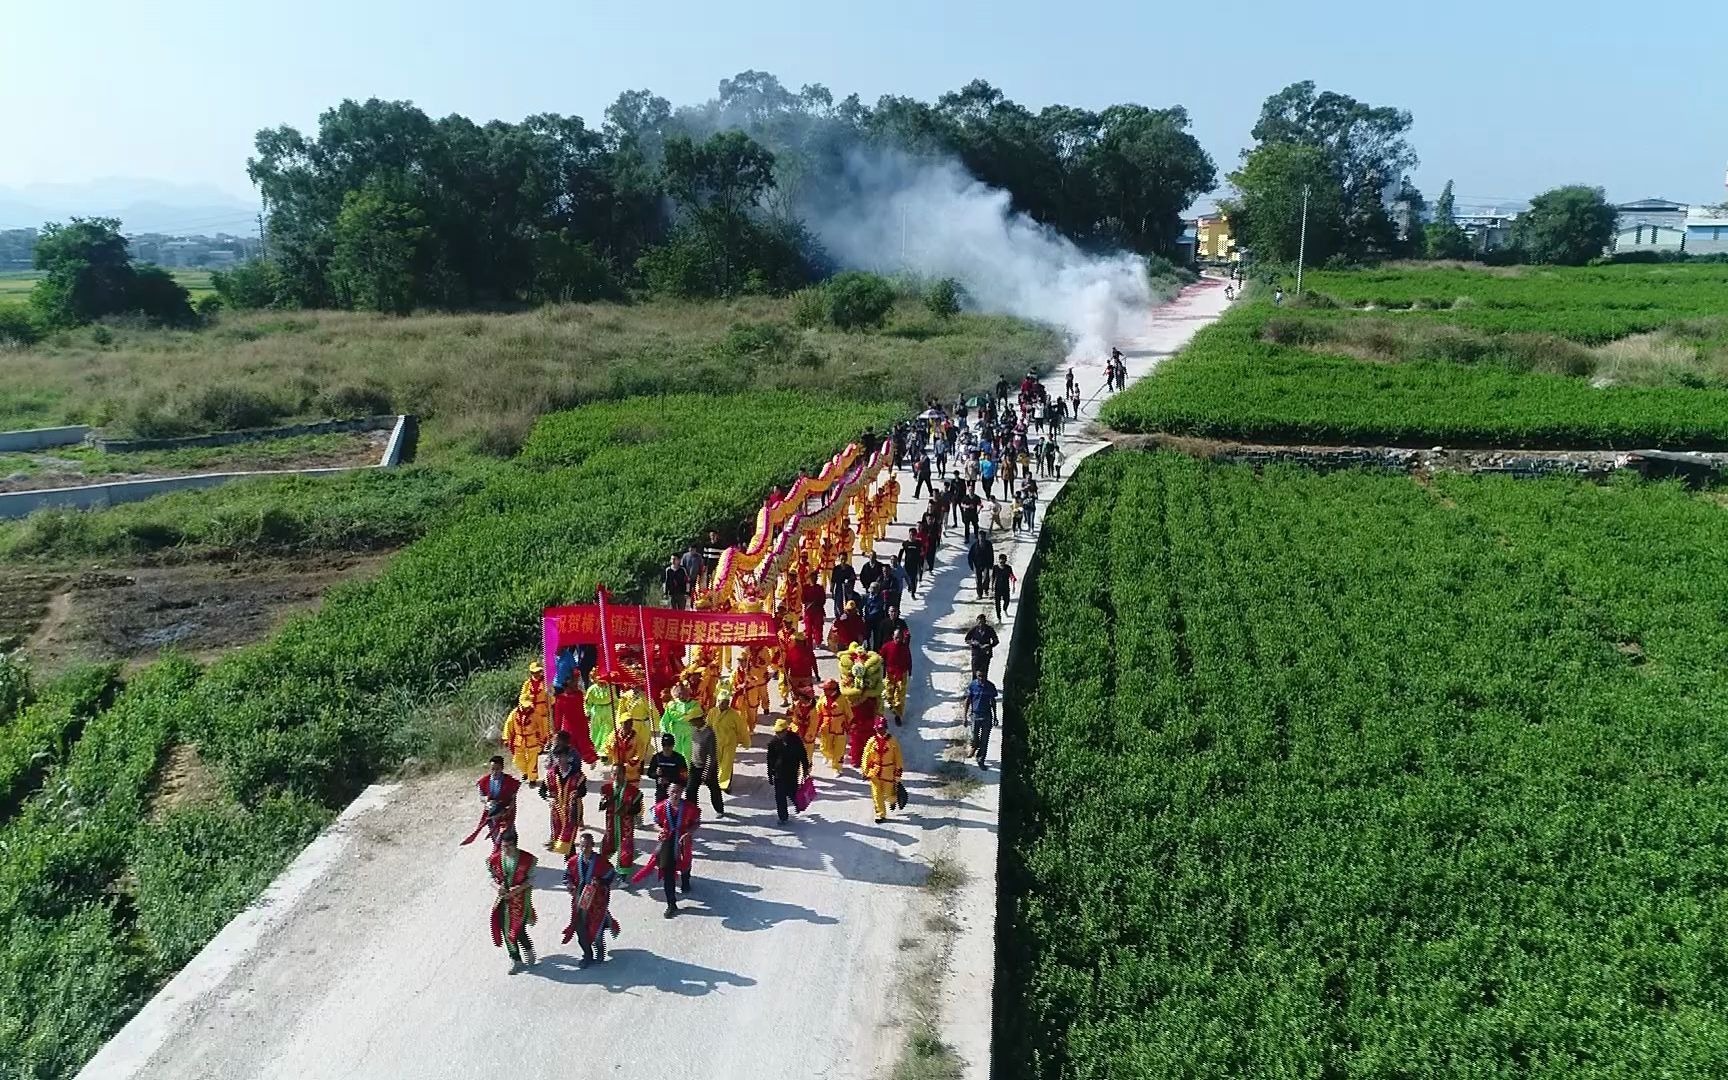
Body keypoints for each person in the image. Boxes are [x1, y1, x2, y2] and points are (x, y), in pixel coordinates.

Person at [562, 834, 619, 967]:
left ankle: (599, 948)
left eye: (587, 845)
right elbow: (567, 875)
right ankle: (587, 955)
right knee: (580, 928)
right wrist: (569, 885)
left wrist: (601, 881)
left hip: (596, 902)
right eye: (582, 845)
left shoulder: (600, 861)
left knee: (595, 927)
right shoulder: (574, 861)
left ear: (593, 846)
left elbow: (611, 874)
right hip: (579, 901)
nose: (584, 848)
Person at [487, 829, 537, 969]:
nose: (505, 849)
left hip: (520, 900)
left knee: (518, 929)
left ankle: (528, 949)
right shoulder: (495, 859)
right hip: (503, 899)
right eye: (503, 846)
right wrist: (498, 888)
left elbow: (532, 879)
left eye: (508, 846)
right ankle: (515, 959)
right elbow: (491, 878)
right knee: (505, 928)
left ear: (515, 845)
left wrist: (518, 889)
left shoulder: (527, 859)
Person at [649, 782, 700, 917]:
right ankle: (671, 903)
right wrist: (661, 830)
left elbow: (696, 822)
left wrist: (689, 832)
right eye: (673, 792)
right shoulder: (660, 807)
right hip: (667, 842)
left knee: (685, 863)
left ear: (682, 792)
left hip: (683, 840)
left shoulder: (689, 808)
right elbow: (655, 824)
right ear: (668, 792)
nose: (675, 795)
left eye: (678, 791)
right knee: (667, 872)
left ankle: (685, 880)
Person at [503, 661, 552, 783]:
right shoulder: (526, 685)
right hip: (520, 740)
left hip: (541, 713)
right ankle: (526, 772)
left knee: (542, 732)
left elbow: (551, 697)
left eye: (539, 671)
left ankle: (532, 778)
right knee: (517, 760)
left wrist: (551, 700)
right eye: (534, 672)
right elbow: (509, 725)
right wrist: (506, 738)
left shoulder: (545, 683)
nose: (537, 674)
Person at [541, 733, 586, 856]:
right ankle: (572, 863)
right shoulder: (550, 775)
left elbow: (583, 791)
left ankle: (572, 863)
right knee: (561, 838)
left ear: (567, 757)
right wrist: (547, 798)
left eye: (562, 757)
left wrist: (577, 794)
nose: (559, 760)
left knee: (568, 840)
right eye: (557, 757)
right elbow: (542, 791)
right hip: (557, 812)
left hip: (572, 811)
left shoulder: (576, 775)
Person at [468, 755, 520, 850]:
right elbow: (482, 797)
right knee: (496, 837)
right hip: (492, 813)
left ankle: (513, 855)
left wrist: (508, 809)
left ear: (502, 768)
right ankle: (499, 856)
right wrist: (487, 802)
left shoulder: (510, 781)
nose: (495, 772)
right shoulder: (484, 782)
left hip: (506, 813)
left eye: (497, 769)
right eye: (492, 769)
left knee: (509, 835)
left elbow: (513, 797)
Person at [765, 718, 812, 823]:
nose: (778, 734)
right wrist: (770, 774)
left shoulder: (795, 740)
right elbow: (770, 759)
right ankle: (783, 817)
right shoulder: (773, 742)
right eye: (777, 732)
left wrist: (805, 768)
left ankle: (798, 804)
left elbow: (802, 754)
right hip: (778, 773)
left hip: (792, 772)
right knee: (780, 796)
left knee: (792, 792)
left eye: (780, 732)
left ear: (786, 731)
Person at [598, 762, 643, 870]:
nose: (616, 776)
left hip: (625, 827)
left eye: (619, 774)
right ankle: (606, 869)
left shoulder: (633, 791)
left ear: (624, 774)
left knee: (625, 849)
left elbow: (637, 809)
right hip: (611, 825)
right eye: (614, 774)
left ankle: (623, 875)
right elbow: (602, 807)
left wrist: (628, 810)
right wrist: (603, 803)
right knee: (607, 846)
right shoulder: (606, 788)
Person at [861, 719, 904, 824]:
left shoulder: (892, 741)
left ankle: (893, 800)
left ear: (886, 728)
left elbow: (898, 757)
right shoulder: (871, 741)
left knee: (889, 794)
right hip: (875, 772)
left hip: (888, 771)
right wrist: (865, 770)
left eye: (883, 728)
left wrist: (898, 772)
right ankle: (880, 814)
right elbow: (866, 756)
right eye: (878, 728)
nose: (881, 731)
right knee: (876, 794)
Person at [706, 690, 747, 792]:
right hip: (716, 742)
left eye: (726, 702)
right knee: (717, 763)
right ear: (718, 701)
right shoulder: (712, 712)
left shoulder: (734, 714)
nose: (725, 704)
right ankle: (716, 781)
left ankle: (725, 785)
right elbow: (707, 726)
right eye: (722, 702)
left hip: (729, 742)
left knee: (727, 764)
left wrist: (745, 741)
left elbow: (741, 728)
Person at [686, 708, 724, 816]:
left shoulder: (709, 733)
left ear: (699, 719)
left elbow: (711, 755)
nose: (690, 723)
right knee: (690, 790)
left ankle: (719, 809)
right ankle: (693, 812)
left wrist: (706, 772)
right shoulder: (693, 730)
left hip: (707, 767)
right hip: (694, 765)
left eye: (692, 720)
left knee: (714, 789)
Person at [815, 678, 851, 774]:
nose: (824, 691)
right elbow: (818, 712)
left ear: (833, 690)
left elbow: (849, 713)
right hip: (826, 726)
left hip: (840, 725)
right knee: (824, 747)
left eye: (826, 689)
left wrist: (849, 725)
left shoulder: (842, 699)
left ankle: (837, 767)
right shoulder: (823, 697)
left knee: (839, 749)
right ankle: (828, 756)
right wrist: (816, 725)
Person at [601, 714, 649, 784]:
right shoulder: (614, 735)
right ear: (621, 724)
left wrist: (628, 765)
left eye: (630, 723)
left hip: (631, 772)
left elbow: (640, 754)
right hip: (617, 770)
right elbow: (606, 749)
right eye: (626, 723)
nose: (628, 725)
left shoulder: (637, 737)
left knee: (631, 792)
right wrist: (612, 747)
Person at [965, 670, 999, 769]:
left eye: (983, 676)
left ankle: (981, 759)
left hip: (986, 715)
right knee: (974, 737)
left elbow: (993, 702)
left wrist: (995, 716)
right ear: (976, 676)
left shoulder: (990, 686)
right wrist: (965, 716)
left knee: (985, 739)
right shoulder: (972, 686)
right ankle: (974, 746)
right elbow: (968, 700)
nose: (981, 678)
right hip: (975, 715)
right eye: (979, 676)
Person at [880, 625, 912, 725]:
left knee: (899, 696)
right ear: (893, 637)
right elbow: (881, 657)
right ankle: (891, 705)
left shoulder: (905, 648)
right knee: (889, 693)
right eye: (896, 637)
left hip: (901, 674)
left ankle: (898, 715)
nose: (898, 639)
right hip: (890, 673)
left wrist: (910, 671)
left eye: (900, 637)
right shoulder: (887, 646)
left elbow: (909, 660)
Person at [645, 732, 688, 807]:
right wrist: (656, 774)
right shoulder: (657, 757)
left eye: (669, 745)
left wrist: (670, 781)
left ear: (673, 745)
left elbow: (684, 777)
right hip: (661, 790)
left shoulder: (679, 758)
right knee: (659, 810)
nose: (667, 747)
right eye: (664, 745)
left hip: (675, 791)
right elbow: (650, 773)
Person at [799, 572, 827, 648]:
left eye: (815, 578)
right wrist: (809, 602)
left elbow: (823, 600)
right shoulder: (806, 588)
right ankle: (809, 644)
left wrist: (817, 603)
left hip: (818, 611)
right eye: (812, 578)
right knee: (808, 629)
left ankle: (818, 642)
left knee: (818, 627)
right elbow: (803, 599)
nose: (814, 579)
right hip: (808, 611)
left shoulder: (820, 588)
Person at [991, 554, 1018, 622]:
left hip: (1006, 588)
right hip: (997, 588)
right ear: (999, 560)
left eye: (1003, 561)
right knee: (997, 604)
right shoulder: (995, 567)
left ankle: (1005, 609)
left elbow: (1012, 576)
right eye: (1001, 561)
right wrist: (992, 586)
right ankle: (999, 617)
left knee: (1007, 601)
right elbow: (993, 577)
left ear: (1005, 561)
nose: (1002, 563)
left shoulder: (1008, 568)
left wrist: (1013, 584)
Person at [899, 532, 924, 599]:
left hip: (916, 564)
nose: (912, 536)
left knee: (913, 578)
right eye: (910, 535)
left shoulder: (918, 544)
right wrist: (898, 562)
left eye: (913, 535)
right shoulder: (905, 543)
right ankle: (910, 586)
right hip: (907, 563)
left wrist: (921, 564)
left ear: (916, 536)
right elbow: (901, 553)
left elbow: (922, 554)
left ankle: (913, 592)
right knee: (907, 577)